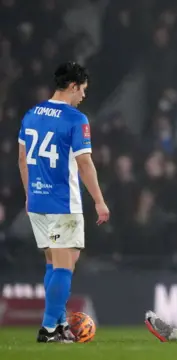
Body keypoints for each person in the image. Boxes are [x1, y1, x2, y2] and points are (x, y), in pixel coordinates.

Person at [17, 62, 110, 343]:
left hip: (37, 200)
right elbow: (84, 163)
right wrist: (99, 201)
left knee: (57, 262)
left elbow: (22, 160)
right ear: (73, 86)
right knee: (64, 264)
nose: (83, 95)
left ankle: (58, 324)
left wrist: (28, 193)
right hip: (62, 202)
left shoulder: (31, 114)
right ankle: (48, 329)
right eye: (82, 90)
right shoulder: (75, 119)